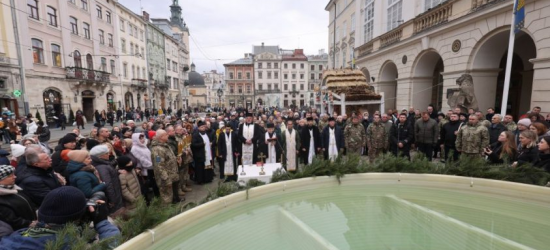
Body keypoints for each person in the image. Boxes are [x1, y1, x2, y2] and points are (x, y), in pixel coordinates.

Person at [0, 186, 120, 249]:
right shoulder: (64, 243)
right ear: (76, 217)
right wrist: (102, 222)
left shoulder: (20, 235)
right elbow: (113, 246)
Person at [0, 165, 37, 232]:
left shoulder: (14, 188)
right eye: (10, 176)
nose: (15, 177)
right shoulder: (2, 198)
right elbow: (12, 220)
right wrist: (31, 224)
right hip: (23, 231)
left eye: (14, 174)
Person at [90, 145, 124, 217]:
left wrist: (117, 171)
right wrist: (112, 200)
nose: (109, 154)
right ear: (100, 156)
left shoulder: (104, 163)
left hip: (115, 193)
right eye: (106, 153)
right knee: (117, 215)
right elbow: (108, 184)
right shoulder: (102, 167)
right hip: (114, 196)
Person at [151, 130, 180, 204]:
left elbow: (168, 158)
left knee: (172, 196)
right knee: (167, 199)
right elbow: (159, 166)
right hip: (166, 179)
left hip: (172, 175)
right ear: (161, 137)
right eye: (166, 134)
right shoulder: (157, 150)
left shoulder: (165, 145)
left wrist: (176, 159)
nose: (168, 135)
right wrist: (166, 179)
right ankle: (168, 213)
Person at [131, 133, 158, 203]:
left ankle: (157, 197)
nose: (142, 140)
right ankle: (153, 200)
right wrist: (152, 165)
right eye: (140, 138)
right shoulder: (134, 148)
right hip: (146, 169)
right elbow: (141, 159)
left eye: (143, 138)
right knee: (150, 184)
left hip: (151, 167)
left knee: (154, 183)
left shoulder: (143, 146)